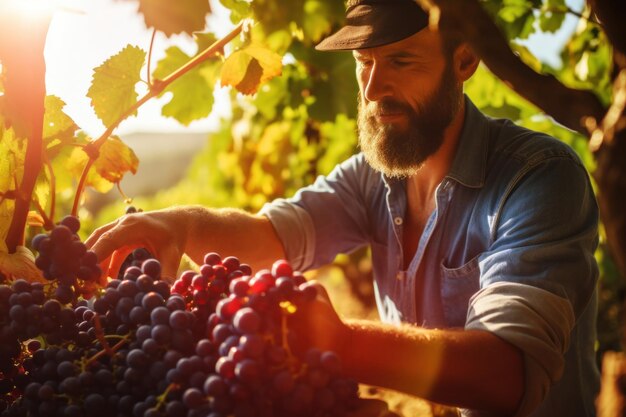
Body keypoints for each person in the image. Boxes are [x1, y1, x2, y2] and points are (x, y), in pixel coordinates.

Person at [86, 0, 600, 415]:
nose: (374, 90)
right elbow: (272, 237)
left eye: (401, 60)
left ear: (465, 60)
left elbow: (510, 372)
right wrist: (180, 224)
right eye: (364, 63)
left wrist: (343, 344)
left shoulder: (539, 178)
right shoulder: (375, 178)